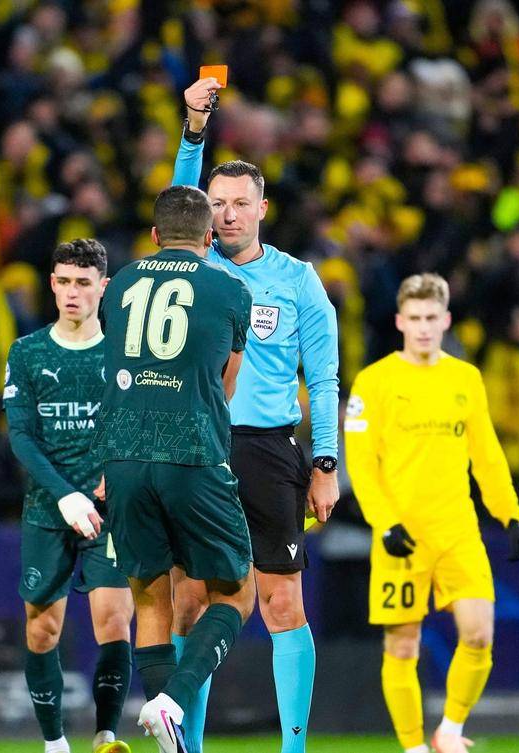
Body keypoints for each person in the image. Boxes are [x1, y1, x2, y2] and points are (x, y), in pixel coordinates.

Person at [169, 76, 341, 753]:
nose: (228, 214)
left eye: (241, 203)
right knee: (191, 602)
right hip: (198, 446)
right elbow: (177, 201)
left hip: (269, 450)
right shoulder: (193, 268)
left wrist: (325, 463)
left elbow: (322, 377)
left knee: (282, 603)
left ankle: (293, 749)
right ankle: (188, 746)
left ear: (263, 208)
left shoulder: (298, 280)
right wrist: (194, 128)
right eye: (217, 204)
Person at [98, 185, 255, 753]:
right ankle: (172, 700)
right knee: (237, 594)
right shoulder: (230, 289)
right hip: (191, 453)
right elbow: (226, 384)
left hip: (122, 455)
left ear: (154, 235)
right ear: (209, 236)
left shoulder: (119, 284)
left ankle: (173, 741)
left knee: (149, 599)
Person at [344, 273, 519, 753]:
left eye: (432, 318)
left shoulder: (465, 378)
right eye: (416, 318)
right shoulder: (374, 382)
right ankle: (414, 748)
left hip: (457, 530)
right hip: (402, 535)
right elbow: (361, 464)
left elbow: (486, 455)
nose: (424, 327)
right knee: (402, 646)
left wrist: (509, 514)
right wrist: (385, 522)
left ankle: (449, 729)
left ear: (446, 320)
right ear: (400, 321)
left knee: (480, 635)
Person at [3, 238, 133, 753]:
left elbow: (137, 424)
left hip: (110, 511)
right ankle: (55, 742)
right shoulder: (28, 352)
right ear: (52, 285)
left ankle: (105, 737)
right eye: (63, 281)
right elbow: (21, 437)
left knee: (115, 620)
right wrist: (64, 495)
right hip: (47, 509)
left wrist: (115, 475)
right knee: (42, 629)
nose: (72, 292)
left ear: (104, 287)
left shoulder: (124, 352)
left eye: (83, 282)